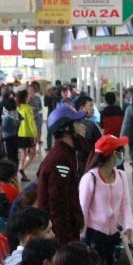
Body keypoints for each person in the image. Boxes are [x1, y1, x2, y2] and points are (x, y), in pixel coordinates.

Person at [78, 134, 133, 265]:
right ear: (113, 154)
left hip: (115, 234)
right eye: (120, 151)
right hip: (95, 235)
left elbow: (125, 205)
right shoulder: (90, 178)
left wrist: (128, 228)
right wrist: (82, 238)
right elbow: (82, 209)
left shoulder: (121, 176)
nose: (122, 154)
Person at [36, 105, 86, 247]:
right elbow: (57, 206)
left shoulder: (65, 154)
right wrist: (65, 244)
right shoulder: (60, 160)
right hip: (62, 238)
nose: (82, 127)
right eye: (77, 123)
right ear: (66, 129)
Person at [16, 89, 38, 181]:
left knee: (23, 154)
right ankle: (22, 169)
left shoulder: (17, 108)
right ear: (25, 98)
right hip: (28, 134)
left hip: (19, 134)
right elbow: (31, 123)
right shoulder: (28, 108)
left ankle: (21, 170)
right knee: (33, 153)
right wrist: (35, 135)